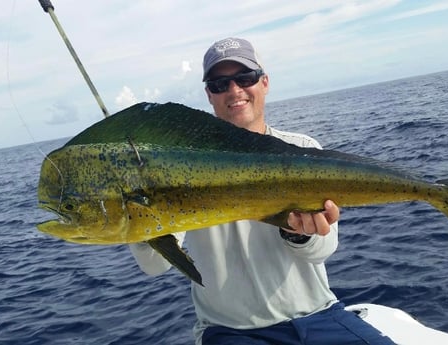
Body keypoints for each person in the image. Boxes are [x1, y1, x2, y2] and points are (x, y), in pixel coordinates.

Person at [129, 37, 395, 345]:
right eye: (220, 84)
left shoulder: (304, 150)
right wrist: (139, 211)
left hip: (318, 316)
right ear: (209, 95)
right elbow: (155, 265)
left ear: (264, 82)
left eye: (245, 78)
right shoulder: (171, 169)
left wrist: (298, 233)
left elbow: (323, 251)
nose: (234, 90)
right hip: (231, 331)